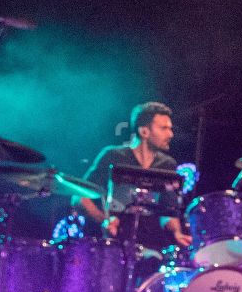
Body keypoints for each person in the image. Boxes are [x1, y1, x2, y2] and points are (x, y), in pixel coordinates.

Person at [78, 101, 191, 249]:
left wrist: (177, 232)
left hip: (151, 246)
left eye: (170, 129)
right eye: (164, 128)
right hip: (114, 245)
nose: (170, 134)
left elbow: (167, 210)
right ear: (144, 131)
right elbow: (81, 198)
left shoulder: (168, 164)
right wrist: (105, 221)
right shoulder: (113, 156)